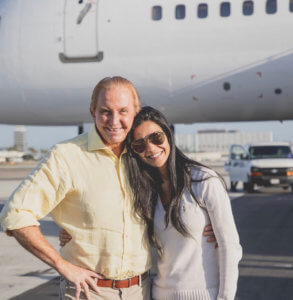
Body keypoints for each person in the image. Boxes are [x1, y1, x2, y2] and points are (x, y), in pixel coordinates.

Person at [0, 77, 216, 300]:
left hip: (141, 290)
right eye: (105, 111)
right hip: (90, 292)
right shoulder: (67, 156)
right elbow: (15, 214)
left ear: (135, 112)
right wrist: (62, 265)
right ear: (93, 111)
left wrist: (202, 230)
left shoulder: (141, 155)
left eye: (123, 111)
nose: (114, 121)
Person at [124, 106, 242, 300]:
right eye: (139, 145)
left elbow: (230, 246)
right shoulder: (144, 191)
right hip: (159, 294)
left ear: (168, 135)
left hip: (204, 295)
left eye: (156, 138)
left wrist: (225, 297)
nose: (151, 148)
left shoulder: (203, 181)